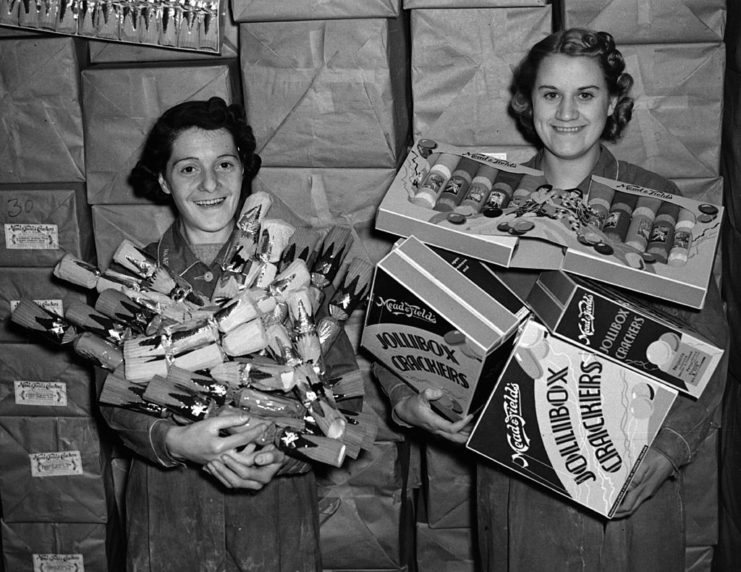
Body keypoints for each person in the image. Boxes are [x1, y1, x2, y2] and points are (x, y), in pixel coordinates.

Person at [373, 28, 729, 571]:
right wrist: (406, 397)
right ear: (527, 101)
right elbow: (409, 302)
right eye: (550, 94)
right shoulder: (481, 200)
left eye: (586, 94)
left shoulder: (658, 207)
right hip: (517, 471)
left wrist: (669, 448)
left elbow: (709, 343)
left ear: (612, 103)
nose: (567, 112)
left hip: (625, 477)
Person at [99, 97, 357, 571]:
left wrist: (289, 454)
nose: (210, 183)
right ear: (162, 180)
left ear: (244, 170)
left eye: (224, 164)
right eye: (188, 169)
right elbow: (113, 400)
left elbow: (346, 397)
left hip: (274, 522)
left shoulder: (297, 275)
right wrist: (175, 442)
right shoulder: (133, 276)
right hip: (170, 521)